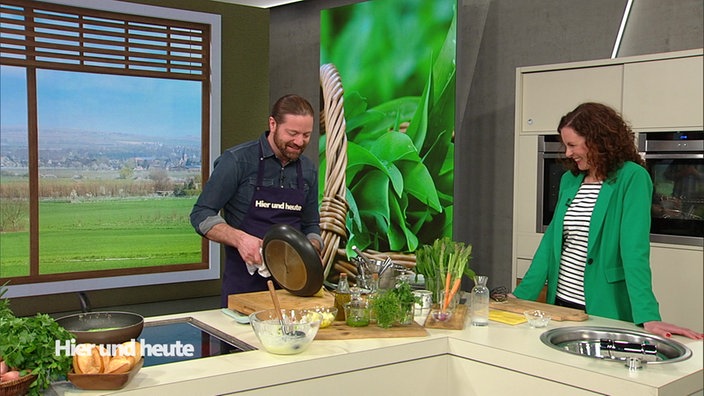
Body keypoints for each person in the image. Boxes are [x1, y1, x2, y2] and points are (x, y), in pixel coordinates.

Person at [512, 102, 703, 340]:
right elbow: (550, 244)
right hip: (560, 304)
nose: (567, 153)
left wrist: (648, 315)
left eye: (572, 145)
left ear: (596, 141)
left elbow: (634, 250)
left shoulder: (632, 177)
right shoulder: (570, 180)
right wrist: (520, 298)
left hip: (603, 305)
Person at [190, 94, 324, 307]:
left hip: (293, 290)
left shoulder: (307, 170)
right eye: (293, 133)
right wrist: (240, 239)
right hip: (244, 288)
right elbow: (201, 215)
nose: (299, 142)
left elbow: (311, 225)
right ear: (273, 124)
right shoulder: (237, 161)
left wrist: (312, 248)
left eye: (306, 135)